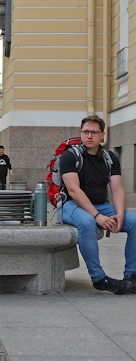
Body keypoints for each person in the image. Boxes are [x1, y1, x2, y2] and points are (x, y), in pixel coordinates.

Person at [61, 115, 136, 295]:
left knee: (133, 221)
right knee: (87, 223)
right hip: (71, 206)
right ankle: (98, 278)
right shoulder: (69, 156)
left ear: (102, 135)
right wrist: (97, 216)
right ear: (81, 133)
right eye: (86, 132)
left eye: (94, 132)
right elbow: (74, 191)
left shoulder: (110, 158)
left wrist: (119, 214)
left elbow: (117, 189)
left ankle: (132, 276)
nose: (89, 136)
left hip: (101, 205)